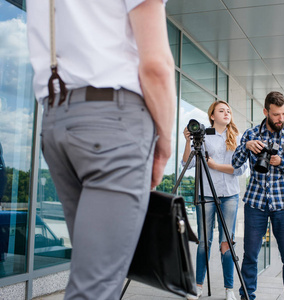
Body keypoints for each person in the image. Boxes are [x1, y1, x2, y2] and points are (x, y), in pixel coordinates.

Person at [26, 1, 176, 299]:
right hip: (113, 124)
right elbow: (156, 66)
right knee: (95, 287)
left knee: (89, 273)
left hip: (56, 120)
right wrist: (165, 141)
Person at [232, 91, 284, 300]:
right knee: (250, 255)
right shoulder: (250, 134)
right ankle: (247, 296)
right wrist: (245, 146)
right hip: (255, 203)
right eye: (276, 114)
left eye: (283, 114)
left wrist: (282, 162)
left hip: (283, 205)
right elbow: (235, 163)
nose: (280, 119)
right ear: (266, 111)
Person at [182, 101, 247, 300]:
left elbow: (241, 169)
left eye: (228, 110)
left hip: (229, 195)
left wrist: (216, 166)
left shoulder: (235, 136)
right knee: (204, 242)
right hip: (207, 194)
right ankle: (198, 286)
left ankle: (229, 289)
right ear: (212, 115)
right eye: (221, 110)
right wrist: (188, 141)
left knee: (227, 242)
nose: (226, 113)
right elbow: (187, 163)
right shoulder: (203, 137)